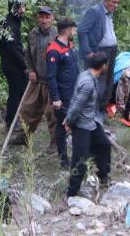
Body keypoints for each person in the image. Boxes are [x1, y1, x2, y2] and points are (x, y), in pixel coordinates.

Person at [64, 52, 112, 197]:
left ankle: (103, 176)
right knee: (80, 159)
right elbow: (77, 104)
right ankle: (72, 192)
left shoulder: (87, 75)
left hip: (92, 121)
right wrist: (69, 122)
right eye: (107, 65)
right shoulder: (88, 83)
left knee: (104, 145)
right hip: (82, 125)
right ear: (103, 66)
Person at [9, 6, 57, 146]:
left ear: (52, 19)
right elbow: (28, 55)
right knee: (26, 109)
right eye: (41, 17)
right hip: (36, 81)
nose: (43, 20)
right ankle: (23, 137)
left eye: (47, 17)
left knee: (52, 114)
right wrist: (30, 70)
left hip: (52, 82)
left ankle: (55, 143)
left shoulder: (57, 35)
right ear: (38, 18)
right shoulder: (33, 34)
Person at [47, 17, 80, 169]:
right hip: (63, 96)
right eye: (73, 29)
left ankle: (79, 155)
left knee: (77, 123)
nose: (75, 32)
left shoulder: (70, 46)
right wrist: (56, 98)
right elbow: (51, 76)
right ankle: (63, 161)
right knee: (62, 126)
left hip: (75, 93)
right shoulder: (53, 50)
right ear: (67, 30)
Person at [78, 0, 120, 107]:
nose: (116, 6)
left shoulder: (110, 13)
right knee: (98, 81)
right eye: (114, 2)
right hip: (99, 52)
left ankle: (102, 110)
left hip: (111, 51)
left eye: (117, 3)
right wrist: (88, 52)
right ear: (105, 1)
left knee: (109, 80)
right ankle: (93, 110)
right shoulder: (95, 11)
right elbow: (82, 30)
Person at [0, 1, 27, 127]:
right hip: (13, 66)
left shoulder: (12, 22)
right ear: (13, 8)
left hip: (14, 64)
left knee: (18, 92)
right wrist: (25, 65)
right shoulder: (8, 24)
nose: (23, 11)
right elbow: (13, 50)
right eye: (20, 7)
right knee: (15, 94)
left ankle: (14, 119)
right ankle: (11, 121)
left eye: (24, 7)